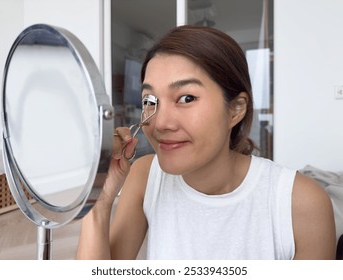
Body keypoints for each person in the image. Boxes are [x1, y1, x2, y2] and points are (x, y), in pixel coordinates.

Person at [76, 25, 336, 260]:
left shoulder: (302, 202)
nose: (161, 123)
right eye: (150, 101)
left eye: (187, 98)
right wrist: (99, 199)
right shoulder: (145, 175)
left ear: (235, 109)